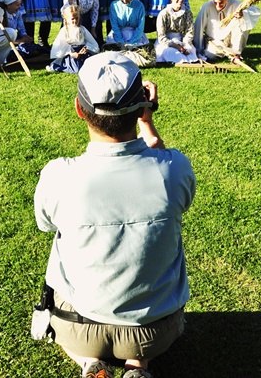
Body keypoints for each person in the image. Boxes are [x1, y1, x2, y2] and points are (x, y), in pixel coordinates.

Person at [34, 51, 196, 378]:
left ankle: (89, 364)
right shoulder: (173, 169)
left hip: (78, 327)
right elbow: (160, 161)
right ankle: (137, 365)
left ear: (80, 110)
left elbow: (44, 224)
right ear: (141, 106)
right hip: (154, 332)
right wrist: (147, 122)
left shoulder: (59, 175)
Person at [193, 0, 261, 61]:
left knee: (241, 22)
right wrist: (198, 49)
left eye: (221, 2)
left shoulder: (237, 4)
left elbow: (256, 11)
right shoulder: (207, 6)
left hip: (231, 39)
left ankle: (236, 53)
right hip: (215, 40)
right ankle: (225, 52)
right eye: (215, 2)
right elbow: (199, 27)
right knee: (211, 55)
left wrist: (243, 14)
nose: (218, 5)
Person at [105, 0, 155, 67]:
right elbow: (115, 25)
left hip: (135, 34)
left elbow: (140, 26)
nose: (125, 0)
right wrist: (121, 42)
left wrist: (132, 42)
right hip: (118, 34)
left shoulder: (139, 6)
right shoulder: (114, 5)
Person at [47, 5, 99, 73]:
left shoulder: (82, 29)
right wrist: (71, 53)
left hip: (82, 53)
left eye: (77, 18)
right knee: (77, 69)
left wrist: (86, 48)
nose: (75, 20)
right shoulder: (65, 30)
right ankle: (57, 66)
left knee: (90, 66)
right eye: (72, 19)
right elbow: (60, 45)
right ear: (67, 19)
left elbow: (91, 41)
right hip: (71, 53)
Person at [155, 0, 197, 64]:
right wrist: (176, 46)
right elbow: (161, 36)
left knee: (191, 52)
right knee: (171, 52)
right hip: (167, 41)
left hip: (181, 40)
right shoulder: (164, 14)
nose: (180, 0)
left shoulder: (187, 13)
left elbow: (189, 31)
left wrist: (186, 45)